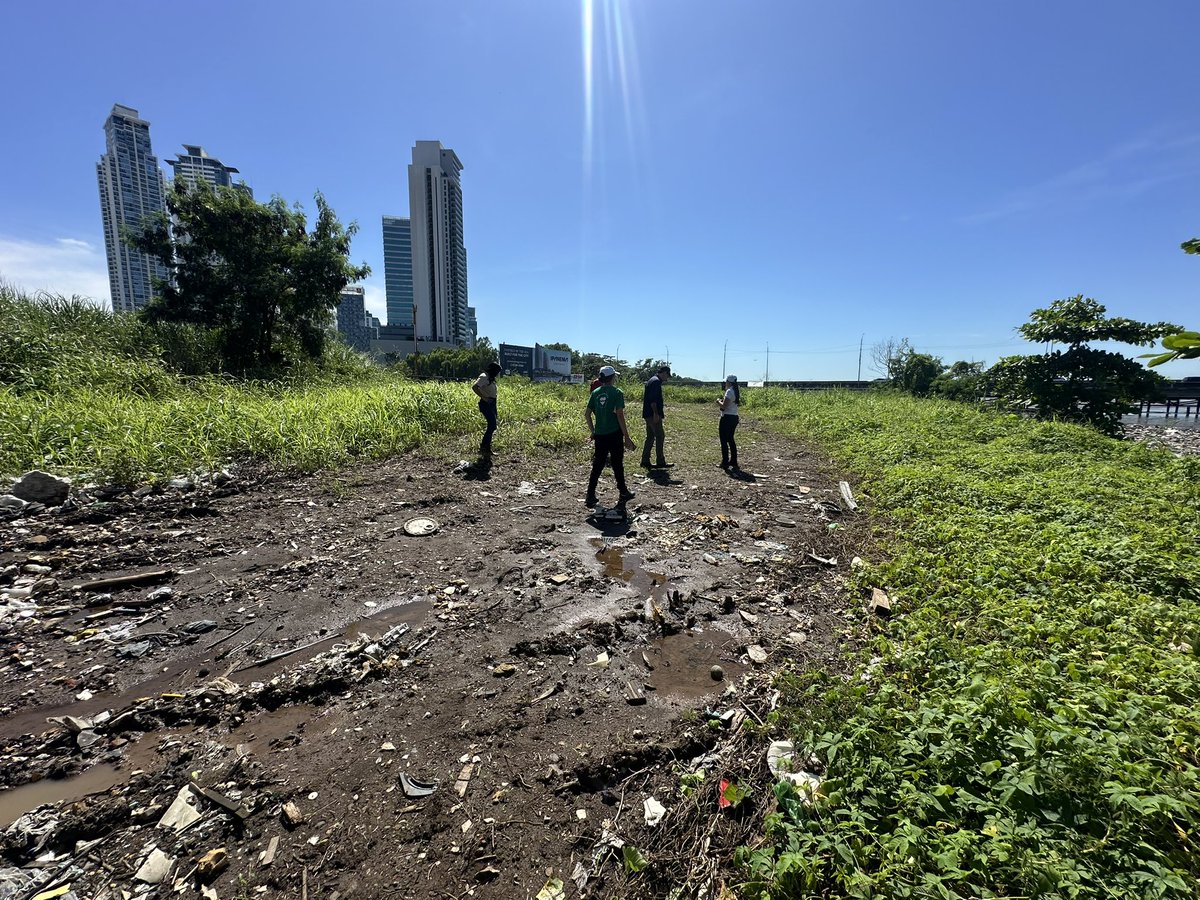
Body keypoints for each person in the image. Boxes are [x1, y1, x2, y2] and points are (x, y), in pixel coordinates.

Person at [585, 366, 637, 507]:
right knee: (617, 464)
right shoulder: (617, 393)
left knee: (598, 465)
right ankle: (623, 491)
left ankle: (590, 494)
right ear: (612, 377)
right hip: (614, 434)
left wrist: (593, 431)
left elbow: (587, 414)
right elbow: (620, 415)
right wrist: (626, 436)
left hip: (600, 435)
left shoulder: (595, 393)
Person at [640, 364, 672, 469]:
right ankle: (660, 461)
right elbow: (653, 400)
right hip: (652, 414)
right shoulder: (656, 382)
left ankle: (645, 460)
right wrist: (656, 414)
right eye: (667, 375)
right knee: (660, 436)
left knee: (650, 437)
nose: (667, 378)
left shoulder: (652, 380)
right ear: (664, 373)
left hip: (648, 414)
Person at [471, 361, 502, 456]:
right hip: (486, 403)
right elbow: (475, 387)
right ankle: (484, 448)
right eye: (497, 372)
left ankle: (486, 447)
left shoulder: (490, 377)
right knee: (492, 425)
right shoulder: (484, 376)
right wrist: (484, 397)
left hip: (492, 403)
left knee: (492, 425)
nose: (497, 374)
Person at [717, 374, 741, 471]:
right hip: (734, 417)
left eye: (725, 382)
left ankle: (725, 462)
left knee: (723, 440)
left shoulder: (729, 391)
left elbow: (724, 406)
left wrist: (718, 401)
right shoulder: (735, 391)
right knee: (730, 439)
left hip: (727, 418)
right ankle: (733, 461)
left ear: (729, 382)